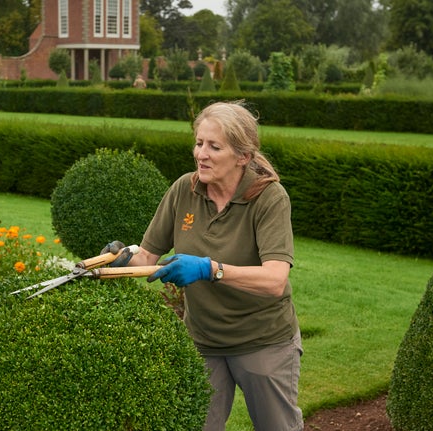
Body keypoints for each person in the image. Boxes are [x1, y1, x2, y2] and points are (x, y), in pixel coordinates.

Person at [104, 100, 303, 431]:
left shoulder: (269, 198)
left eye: (214, 146)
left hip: (263, 342)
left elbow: (274, 280)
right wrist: (120, 256)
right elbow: (147, 258)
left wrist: (211, 269)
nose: (201, 154)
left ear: (243, 156)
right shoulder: (185, 188)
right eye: (199, 143)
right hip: (203, 343)